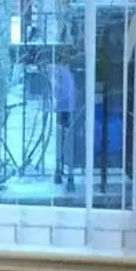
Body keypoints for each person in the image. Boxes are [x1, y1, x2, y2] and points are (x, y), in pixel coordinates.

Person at [51, 59, 80, 187]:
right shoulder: (65, 72)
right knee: (66, 135)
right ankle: (67, 172)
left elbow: (58, 93)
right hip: (68, 108)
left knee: (64, 135)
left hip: (66, 108)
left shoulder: (63, 73)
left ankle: (63, 170)